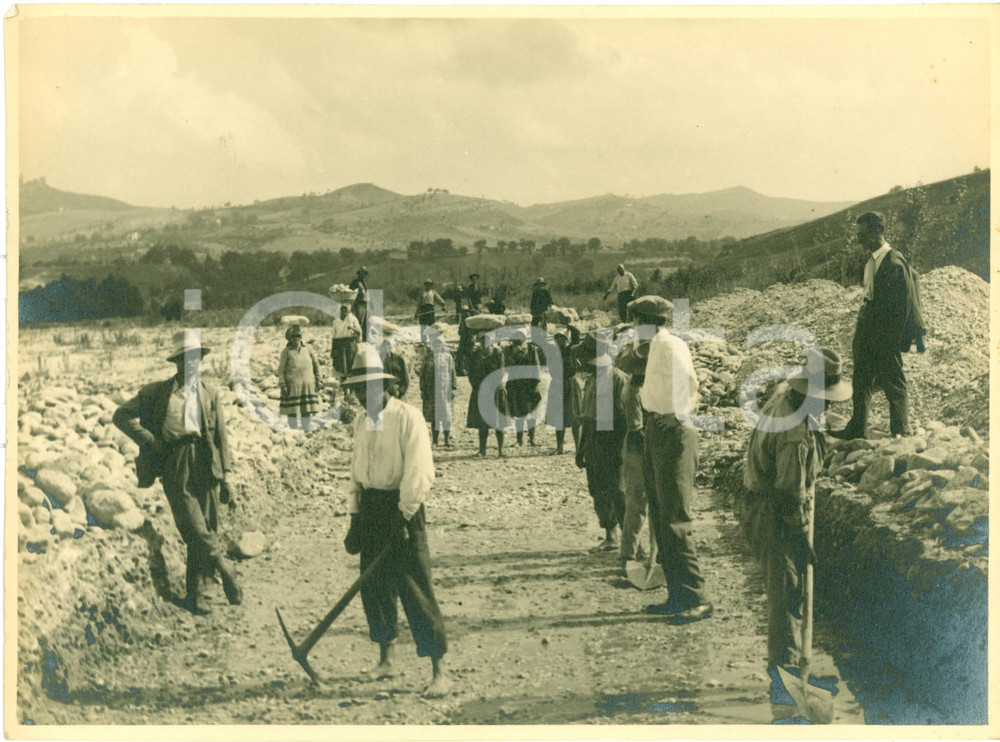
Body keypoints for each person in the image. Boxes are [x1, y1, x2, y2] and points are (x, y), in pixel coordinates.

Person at [340, 344, 451, 698]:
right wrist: (355, 517)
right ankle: (385, 659)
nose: (362, 395)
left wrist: (404, 515)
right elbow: (356, 472)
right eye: (357, 389)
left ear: (387, 386)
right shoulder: (360, 422)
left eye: (369, 387)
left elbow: (419, 471)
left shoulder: (408, 417)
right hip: (371, 507)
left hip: (401, 507)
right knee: (374, 586)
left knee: (414, 585)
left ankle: (439, 669)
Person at [742, 349, 850, 706]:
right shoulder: (794, 433)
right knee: (786, 590)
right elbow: (789, 493)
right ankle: (785, 675)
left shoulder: (787, 397)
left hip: (770, 502)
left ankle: (797, 663)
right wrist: (801, 536)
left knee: (791, 588)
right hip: (775, 510)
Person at [113, 330, 242, 616]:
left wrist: (227, 479)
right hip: (174, 461)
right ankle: (224, 569)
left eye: (197, 358)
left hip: (206, 461)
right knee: (192, 526)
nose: (193, 364)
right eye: (187, 359)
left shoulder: (210, 393)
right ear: (177, 362)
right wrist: (150, 441)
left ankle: (200, 594)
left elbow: (221, 436)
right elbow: (120, 415)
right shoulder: (157, 392)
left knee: (206, 525)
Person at [631, 295, 712, 624]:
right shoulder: (655, 347)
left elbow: (689, 382)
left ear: (647, 322)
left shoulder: (668, 345)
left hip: (674, 433)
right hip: (657, 429)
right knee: (661, 516)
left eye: (637, 322)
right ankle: (677, 595)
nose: (634, 328)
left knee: (675, 518)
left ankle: (697, 597)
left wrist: (678, 414)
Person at [831, 212, 925, 440]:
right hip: (869, 331)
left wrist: (891, 339)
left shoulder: (892, 263)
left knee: (893, 379)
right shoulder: (873, 261)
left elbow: (900, 307)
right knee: (860, 379)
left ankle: (901, 430)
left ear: (876, 232)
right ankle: (857, 429)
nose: (859, 239)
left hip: (884, 334)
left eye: (862, 234)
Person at [574, 333, 628, 550]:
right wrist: (581, 448)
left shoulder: (618, 379)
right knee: (597, 489)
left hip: (613, 440)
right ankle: (611, 535)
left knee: (618, 491)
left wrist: (622, 449)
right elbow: (587, 418)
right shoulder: (591, 380)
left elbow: (625, 419)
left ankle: (629, 539)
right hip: (594, 441)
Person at [616, 338, 658, 572]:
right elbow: (637, 428)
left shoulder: (640, 386)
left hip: (641, 447)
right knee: (639, 503)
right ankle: (629, 555)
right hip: (639, 449)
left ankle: (641, 554)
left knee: (640, 503)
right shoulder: (635, 390)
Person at [466, 332, 509, 458]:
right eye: (483, 340)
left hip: (495, 390)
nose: (485, 343)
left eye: (488, 340)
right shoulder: (475, 355)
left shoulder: (498, 353)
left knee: (498, 421)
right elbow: (471, 373)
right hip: (480, 390)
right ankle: (482, 450)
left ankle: (500, 450)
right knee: (482, 422)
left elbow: (500, 372)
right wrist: (478, 386)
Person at [277, 325, 321, 431]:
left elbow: (316, 365)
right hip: (292, 385)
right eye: (293, 337)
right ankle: (293, 430)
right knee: (292, 410)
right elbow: (281, 370)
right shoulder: (286, 352)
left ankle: (306, 429)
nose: (296, 339)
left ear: (301, 337)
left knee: (306, 408)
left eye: (298, 336)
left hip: (307, 384)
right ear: (289, 339)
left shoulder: (308, 349)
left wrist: (319, 379)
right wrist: (283, 384)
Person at [545, 328, 581, 455]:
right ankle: (560, 447)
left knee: (575, 416)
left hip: (570, 384)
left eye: (561, 337)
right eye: (557, 337)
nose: (558, 340)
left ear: (566, 339)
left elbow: (577, 335)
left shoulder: (572, 349)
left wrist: (568, 325)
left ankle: (578, 447)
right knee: (558, 417)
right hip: (557, 384)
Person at [505, 328, 542, 447]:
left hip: (529, 385)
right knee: (518, 412)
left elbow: (536, 366)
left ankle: (532, 439)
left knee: (531, 412)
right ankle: (519, 439)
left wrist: (536, 383)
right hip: (515, 384)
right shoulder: (509, 350)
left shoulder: (531, 349)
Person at [419, 337, 456, 447]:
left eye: (439, 344)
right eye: (435, 344)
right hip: (432, 392)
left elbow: (453, 373)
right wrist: (422, 389)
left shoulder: (448, 357)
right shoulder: (428, 358)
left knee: (446, 416)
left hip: (445, 391)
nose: (437, 347)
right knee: (434, 416)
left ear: (442, 345)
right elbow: (422, 375)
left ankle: (446, 440)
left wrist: (453, 388)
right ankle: (435, 441)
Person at [331, 304, 363, 377]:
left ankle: (352, 385)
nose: (344, 312)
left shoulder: (352, 319)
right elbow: (334, 337)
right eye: (342, 310)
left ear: (348, 311)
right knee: (341, 367)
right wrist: (332, 350)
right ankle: (343, 385)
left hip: (350, 344)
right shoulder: (336, 321)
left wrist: (352, 328)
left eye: (345, 310)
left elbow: (359, 332)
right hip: (339, 344)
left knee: (352, 365)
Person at [349, 267, 370, 342]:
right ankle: (356, 339)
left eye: (364, 273)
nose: (364, 275)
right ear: (359, 273)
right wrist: (352, 305)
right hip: (359, 304)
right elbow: (351, 293)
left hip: (365, 303)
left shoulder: (364, 282)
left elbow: (366, 293)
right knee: (358, 321)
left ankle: (364, 338)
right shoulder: (355, 282)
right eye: (362, 273)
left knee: (365, 322)